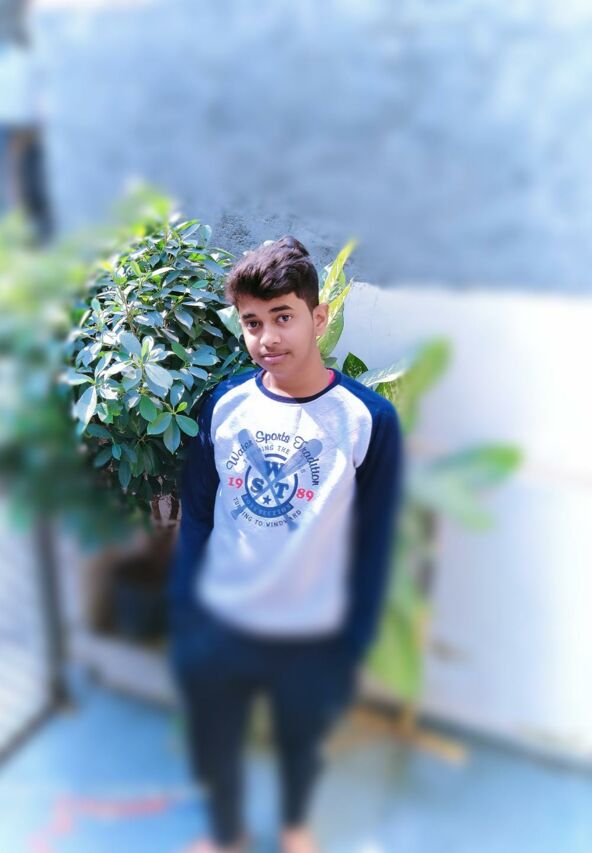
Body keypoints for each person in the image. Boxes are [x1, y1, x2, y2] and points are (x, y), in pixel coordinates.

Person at [168, 236, 402, 853]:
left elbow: (376, 539)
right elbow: (198, 514)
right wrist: (187, 612)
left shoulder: (366, 421)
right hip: (225, 616)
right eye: (252, 322)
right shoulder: (224, 406)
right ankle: (227, 834)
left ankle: (296, 826)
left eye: (283, 317)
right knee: (216, 738)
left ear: (318, 318)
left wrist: (353, 637)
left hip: (311, 626)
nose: (267, 337)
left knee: (301, 740)